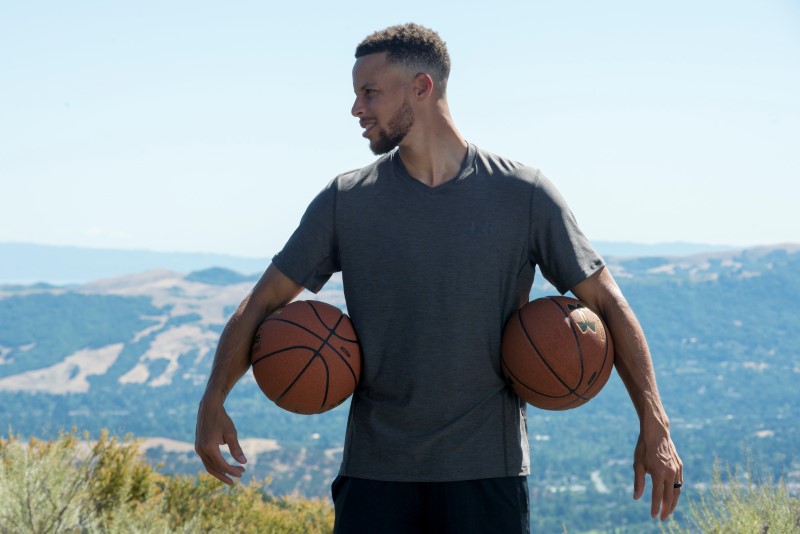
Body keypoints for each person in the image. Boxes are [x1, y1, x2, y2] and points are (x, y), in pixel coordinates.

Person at [195, 23, 683, 533]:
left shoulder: (523, 194)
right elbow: (261, 302)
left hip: (486, 477)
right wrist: (212, 400)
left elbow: (608, 304)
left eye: (370, 93)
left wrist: (655, 422)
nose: (357, 109)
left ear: (422, 88)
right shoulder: (346, 200)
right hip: (374, 477)